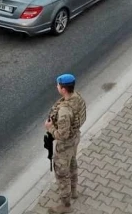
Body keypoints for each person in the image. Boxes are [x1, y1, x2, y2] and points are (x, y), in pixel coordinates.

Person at [45, 73, 87, 214]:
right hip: (76, 137)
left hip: (66, 144)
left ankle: (65, 205)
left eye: (58, 85)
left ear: (63, 89)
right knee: (73, 163)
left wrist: (50, 127)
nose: (56, 87)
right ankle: (74, 191)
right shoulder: (77, 98)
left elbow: (62, 135)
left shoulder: (64, 111)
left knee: (62, 173)